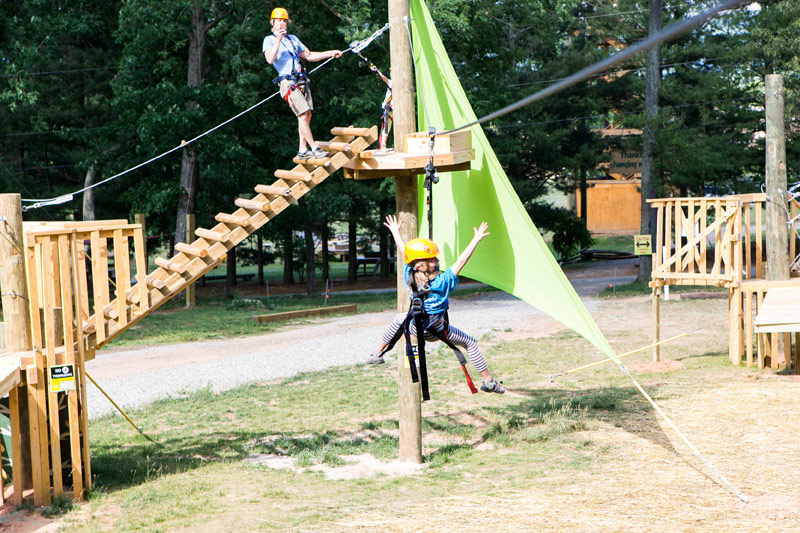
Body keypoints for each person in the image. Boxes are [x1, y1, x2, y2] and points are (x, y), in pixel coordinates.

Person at [368, 214, 505, 394]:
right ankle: (489, 381)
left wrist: (395, 233)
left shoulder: (409, 276)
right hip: (437, 330)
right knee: (470, 343)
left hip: (414, 328)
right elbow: (462, 261)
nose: (436, 261)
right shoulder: (443, 281)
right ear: (421, 264)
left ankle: (377, 353)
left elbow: (406, 253)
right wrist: (475, 240)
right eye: (431, 260)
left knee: (399, 318)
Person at [263, 7, 342, 160]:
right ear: (272, 22)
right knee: (303, 114)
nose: (282, 24)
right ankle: (314, 148)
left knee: (306, 115)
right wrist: (278, 40)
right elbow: (269, 59)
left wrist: (331, 53)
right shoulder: (269, 40)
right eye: (279, 21)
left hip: (301, 81)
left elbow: (310, 55)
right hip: (287, 83)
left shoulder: (293, 39)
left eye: (284, 21)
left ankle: (302, 149)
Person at [369, 64, 392, 151]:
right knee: (386, 127)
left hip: (397, 110)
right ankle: (383, 145)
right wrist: (376, 70)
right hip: (389, 109)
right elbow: (383, 78)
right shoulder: (391, 83)